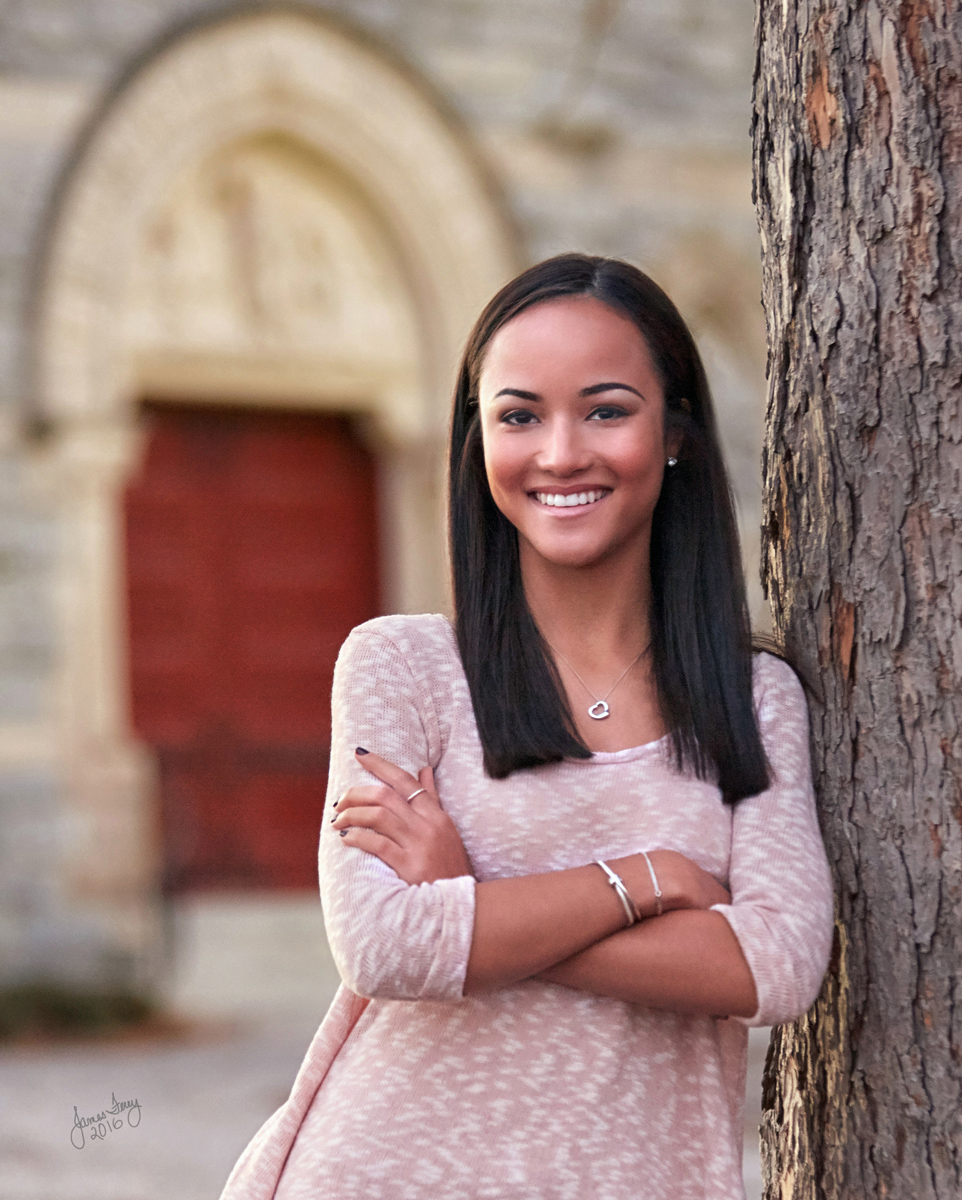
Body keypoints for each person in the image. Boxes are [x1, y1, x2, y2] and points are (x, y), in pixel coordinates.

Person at [220, 254, 834, 1200]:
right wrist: (650, 883)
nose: (559, 453)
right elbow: (384, 944)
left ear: (673, 434)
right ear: (479, 441)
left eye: (606, 409)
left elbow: (779, 965)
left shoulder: (752, 699)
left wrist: (474, 896)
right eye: (519, 415)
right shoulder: (403, 667)